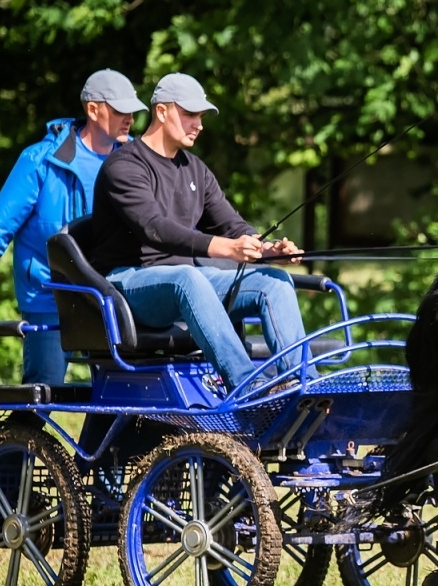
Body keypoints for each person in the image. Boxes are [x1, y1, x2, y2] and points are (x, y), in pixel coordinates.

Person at [81, 72, 305, 389]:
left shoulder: (195, 168)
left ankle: (301, 385)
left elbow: (231, 224)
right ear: (161, 111)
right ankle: (247, 385)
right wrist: (226, 248)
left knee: (275, 282)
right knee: (189, 277)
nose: (198, 124)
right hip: (127, 282)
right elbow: (155, 229)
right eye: (189, 114)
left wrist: (267, 250)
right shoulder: (124, 166)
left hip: (188, 282)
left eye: (200, 116)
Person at [0, 70, 146, 385]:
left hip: (114, 299)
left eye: (132, 110)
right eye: (120, 110)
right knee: (42, 394)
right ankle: (17, 437)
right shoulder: (40, 161)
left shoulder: (137, 161)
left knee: (123, 396)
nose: (130, 118)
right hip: (51, 300)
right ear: (92, 110)